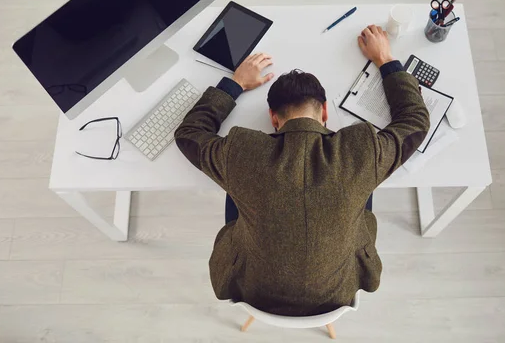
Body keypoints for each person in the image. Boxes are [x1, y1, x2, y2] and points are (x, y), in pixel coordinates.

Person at [175, 25, 430, 316]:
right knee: (361, 184)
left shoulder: (241, 153)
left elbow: (189, 133)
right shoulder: (362, 151)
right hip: (339, 289)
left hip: (251, 287)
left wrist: (234, 85)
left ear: (273, 117)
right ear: (324, 112)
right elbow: (415, 120)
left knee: (237, 187)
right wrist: (385, 58)